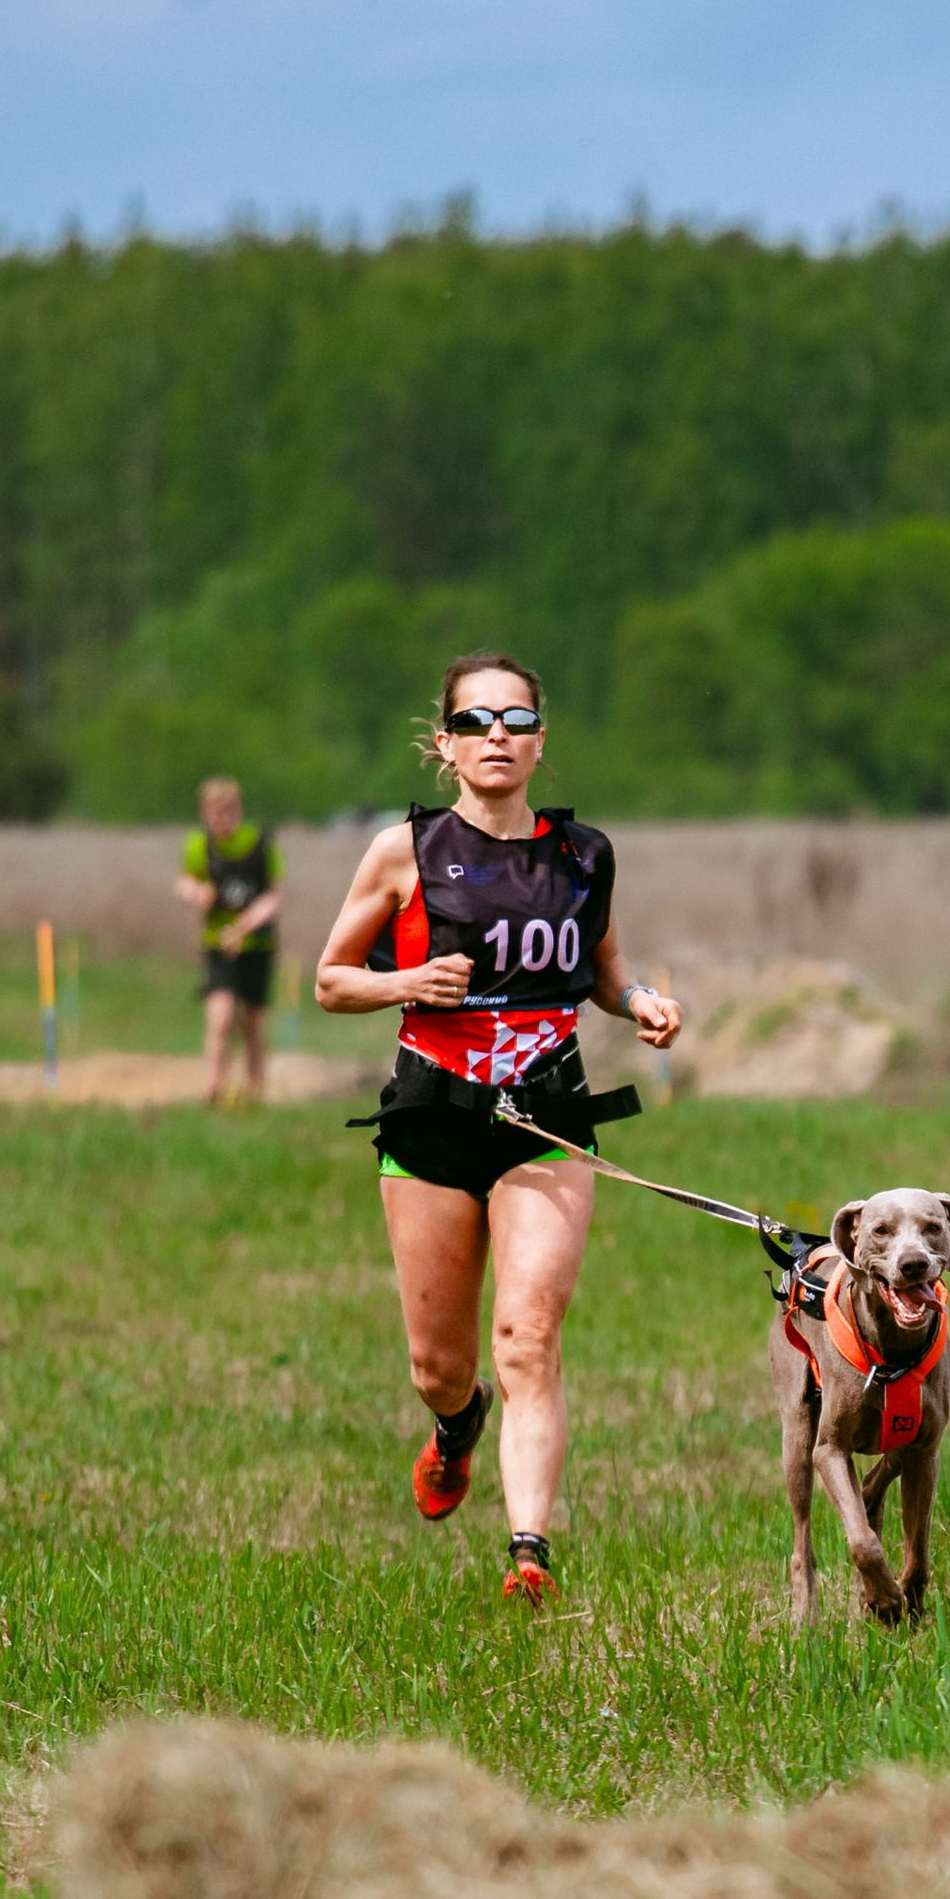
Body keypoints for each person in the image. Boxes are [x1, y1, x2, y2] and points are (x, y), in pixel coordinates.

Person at [315, 658, 682, 1597]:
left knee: (528, 1336)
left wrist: (638, 999)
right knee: (441, 1365)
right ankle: (455, 1424)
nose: (496, 734)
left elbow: (602, 965)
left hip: (547, 1114)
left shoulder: (584, 855)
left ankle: (530, 1554)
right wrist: (405, 983)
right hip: (433, 1114)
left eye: (516, 718)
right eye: (475, 720)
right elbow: (330, 980)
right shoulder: (406, 851)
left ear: (539, 741)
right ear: (445, 743)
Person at [176, 778, 283, 1107]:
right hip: (218, 945)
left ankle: (255, 1089)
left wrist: (242, 927)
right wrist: (197, 893)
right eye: (214, 812)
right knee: (220, 1017)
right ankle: (214, 1088)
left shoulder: (261, 843)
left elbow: (273, 897)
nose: (221, 819)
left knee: (252, 1021)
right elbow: (185, 882)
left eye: (227, 811)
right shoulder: (198, 845)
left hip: (257, 945)